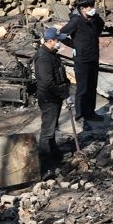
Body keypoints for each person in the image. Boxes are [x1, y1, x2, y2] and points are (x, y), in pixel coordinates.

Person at [60, 0, 104, 125]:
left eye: (91, 6)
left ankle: (91, 112)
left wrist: (95, 18)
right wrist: (73, 45)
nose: (90, 8)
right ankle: (80, 115)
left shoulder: (94, 20)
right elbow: (61, 34)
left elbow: (100, 29)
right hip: (81, 59)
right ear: (81, 9)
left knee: (92, 86)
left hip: (93, 57)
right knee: (82, 88)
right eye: (86, 7)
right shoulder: (76, 22)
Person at [35, 26, 70, 178]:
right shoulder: (43, 58)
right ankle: (45, 166)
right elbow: (46, 82)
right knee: (47, 132)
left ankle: (55, 155)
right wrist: (62, 93)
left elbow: (59, 74)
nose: (59, 43)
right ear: (49, 41)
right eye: (57, 40)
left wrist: (66, 87)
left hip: (54, 96)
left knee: (53, 128)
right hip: (49, 98)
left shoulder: (51, 54)